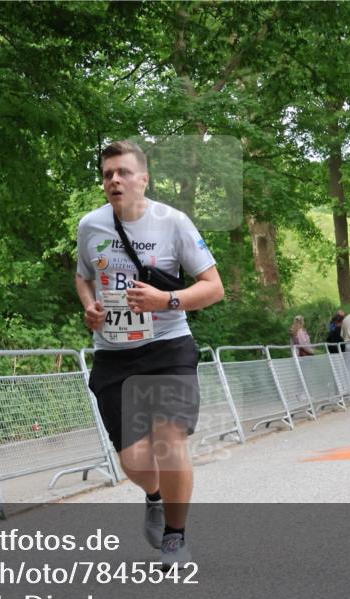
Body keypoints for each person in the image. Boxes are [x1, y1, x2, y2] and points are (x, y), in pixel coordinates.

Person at [76, 140, 224, 565]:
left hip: (168, 345)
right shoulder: (91, 226)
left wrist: (167, 300)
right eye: (108, 174)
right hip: (114, 352)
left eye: (123, 172)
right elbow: (83, 276)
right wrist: (89, 305)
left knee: (169, 438)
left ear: (144, 179)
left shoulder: (174, 223)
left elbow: (214, 287)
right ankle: (155, 495)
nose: (115, 180)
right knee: (136, 461)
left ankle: (175, 537)